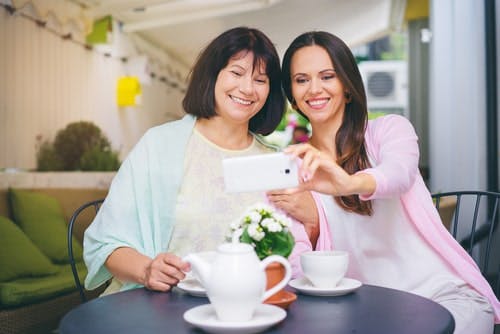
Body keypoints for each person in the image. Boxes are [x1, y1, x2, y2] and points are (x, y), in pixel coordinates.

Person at [268, 31, 499, 333]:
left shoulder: (389, 130)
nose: (314, 89)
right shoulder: (293, 167)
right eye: (301, 80)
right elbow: (296, 256)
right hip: (366, 311)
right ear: (292, 95)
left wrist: (347, 184)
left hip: (445, 297)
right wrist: (312, 228)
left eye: (327, 76)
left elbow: (398, 174)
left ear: (347, 86)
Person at [83, 27, 317, 295]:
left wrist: (312, 220)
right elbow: (105, 242)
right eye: (236, 73)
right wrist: (146, 270)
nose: (247, 88)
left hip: (245, 308)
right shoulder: (159, 146)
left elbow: (291, 251)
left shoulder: (275, 162)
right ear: (213, 75)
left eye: (260, 80)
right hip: (161, 306)